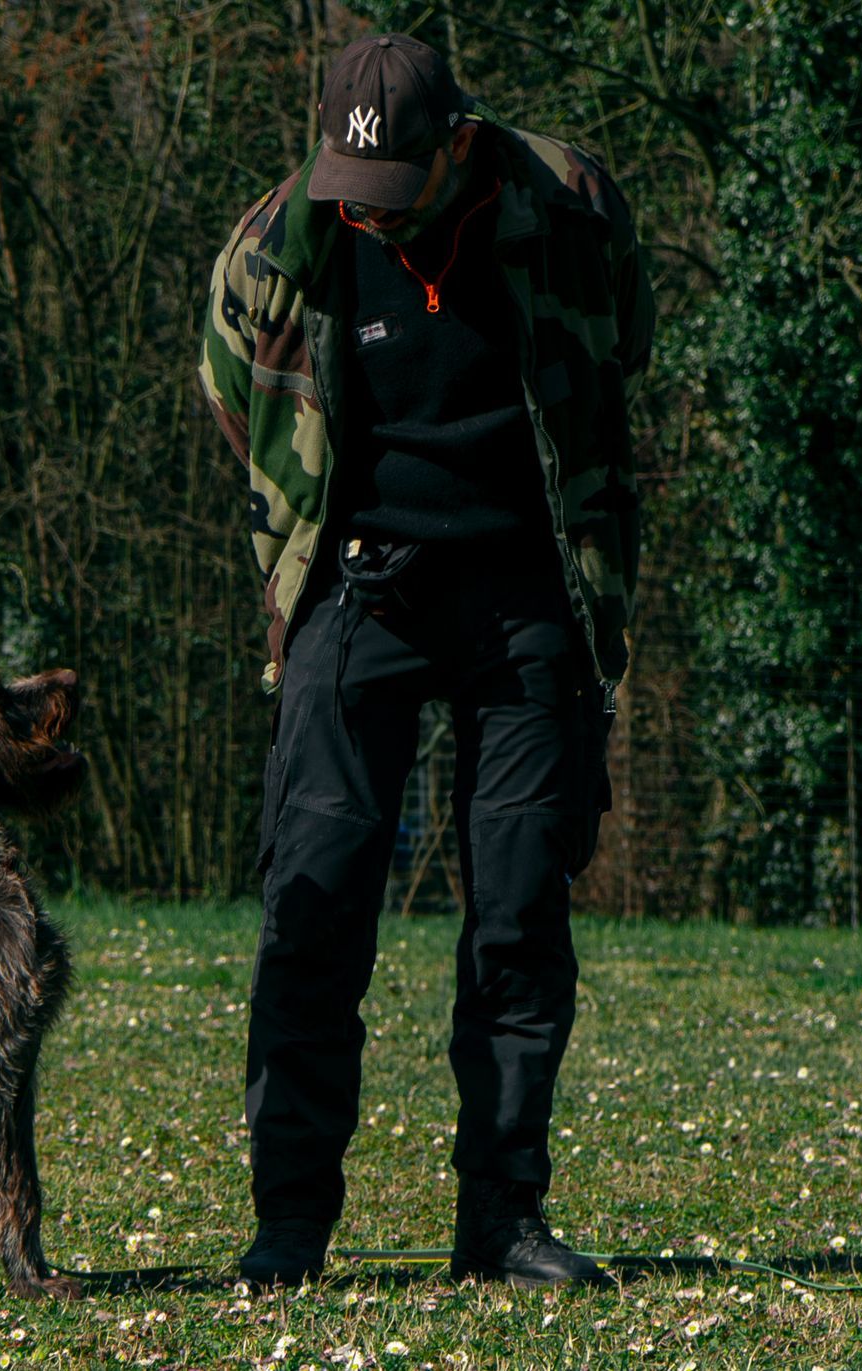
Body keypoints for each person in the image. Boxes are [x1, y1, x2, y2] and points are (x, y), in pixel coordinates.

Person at [198, 34, 655, 1288]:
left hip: (527, 594)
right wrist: (310, 543)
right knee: (315, 907)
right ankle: (289, 1226)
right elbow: (233, 385)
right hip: (358, 590)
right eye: (359, 197)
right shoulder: (277, 239)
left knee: (516, 915)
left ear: (458, 142)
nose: (377, 223)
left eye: (400, 191)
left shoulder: (570, 206)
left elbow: (624, 357)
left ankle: (501, 1221)